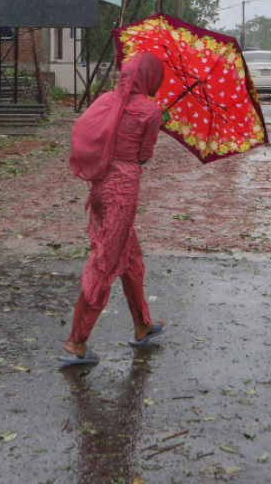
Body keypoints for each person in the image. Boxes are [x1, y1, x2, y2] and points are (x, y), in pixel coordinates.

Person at [61, 52, 168, 365]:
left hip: (100, 187)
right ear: (150, 77)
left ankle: (142, 325)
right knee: (105, 263)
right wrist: (152, 122)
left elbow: (85, 129)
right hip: (122, 193)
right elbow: (143, 155)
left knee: (131, 258)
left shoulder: (108, 99)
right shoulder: (151, 109)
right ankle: (76, 342)